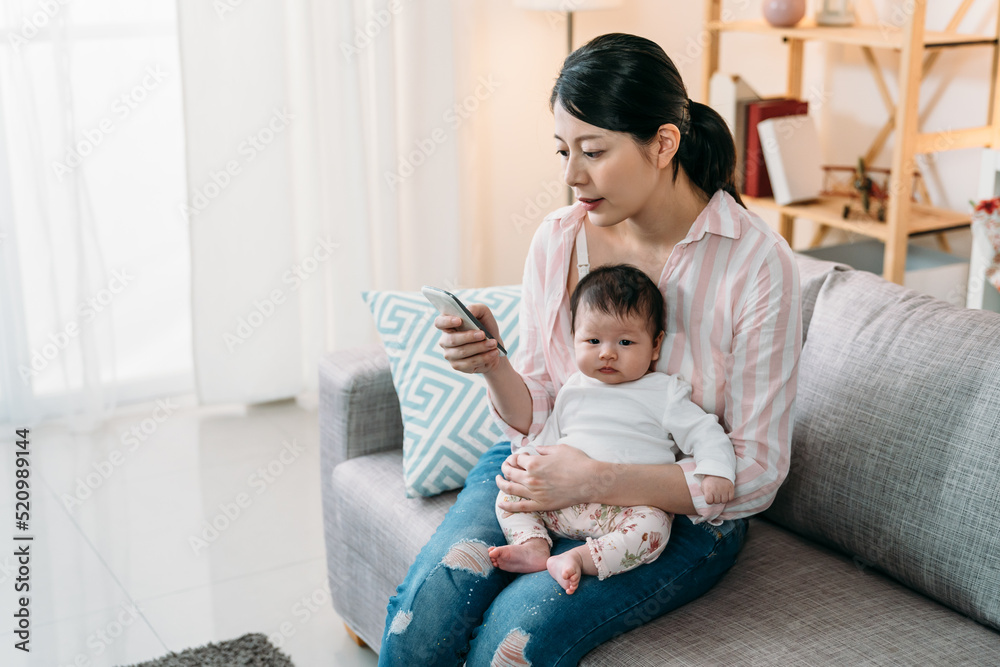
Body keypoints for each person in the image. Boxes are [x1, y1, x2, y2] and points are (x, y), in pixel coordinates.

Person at [379, 32, 801, 666]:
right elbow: (541, 402)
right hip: (542, 466)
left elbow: (757, 471)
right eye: (562, 150)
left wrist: (597, 477)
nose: (571, 176)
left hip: (670, 513)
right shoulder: (558, 239)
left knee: (510, 643)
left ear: (663, 143)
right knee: (428, 614)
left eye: (594, 152)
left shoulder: (756, 264)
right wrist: (495, 364)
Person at [489, 264, 736, 595]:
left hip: (626, 508)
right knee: (507, 494)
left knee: (654, 529)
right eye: (592, 340)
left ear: (655, 345)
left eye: (625, 341)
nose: (607, 352)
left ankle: (580, 558)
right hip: (560, 503)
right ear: (574, 339)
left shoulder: (663, 392)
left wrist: (716, 471)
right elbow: (548, 441)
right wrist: (526, 462)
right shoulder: (574, 388)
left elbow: (705, 432)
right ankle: (533, 544)